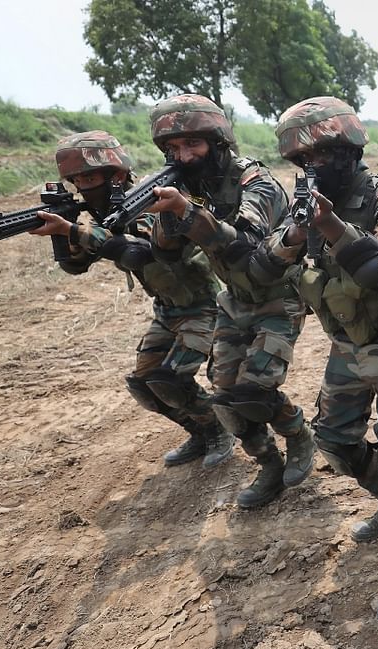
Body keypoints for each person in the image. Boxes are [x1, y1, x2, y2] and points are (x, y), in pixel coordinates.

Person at [264, 96, 378, 622]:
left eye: (321, 156)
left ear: (348, 151)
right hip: (346, 346)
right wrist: (295, 234)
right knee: (335, 442)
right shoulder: (306, 208)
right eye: (302, 161)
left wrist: (333, 226)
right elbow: (266, 267)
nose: (310, 168)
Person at [146, 93, 314, 508]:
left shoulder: (254, 181)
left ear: (218, 141)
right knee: (225, 397)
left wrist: (189, 213)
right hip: (234, 300)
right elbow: (164, 252)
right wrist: (168, 219)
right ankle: (268, 464)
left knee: (254, 389)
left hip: (278, 296)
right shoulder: (186, 186)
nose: (183, 156)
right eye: (174, 149)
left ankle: (298, 435)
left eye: (193, 145)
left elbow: (248, 245)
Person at [30, 131, 232, 468]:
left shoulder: (151, 201)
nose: (84, 187)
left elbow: (140, 253)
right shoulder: (102, 219)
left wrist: (72, 230)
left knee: (170, 379)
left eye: (91, 178)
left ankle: (218, 429)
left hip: (203, 308)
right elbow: (76, 267)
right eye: (77, 181)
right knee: (144, 384)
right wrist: (64, 237)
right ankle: (198, 431)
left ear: (118, 176)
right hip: (168, 311)